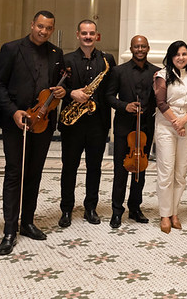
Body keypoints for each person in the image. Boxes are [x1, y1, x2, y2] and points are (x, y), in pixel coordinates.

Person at [0, 10, 66, 255]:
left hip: (43, 123)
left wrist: (61, 93)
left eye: (48, 28)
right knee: (15, 173)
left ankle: (28, 223)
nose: (43, 31)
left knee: (34, 173)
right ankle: (9, 230)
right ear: (31, 24)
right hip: (18, 123)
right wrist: (13, 111)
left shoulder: (56, 54)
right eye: (40, 26)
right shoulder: (11, 49)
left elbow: (55, 90)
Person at [57, 20, 116, 228]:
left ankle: (90, 207)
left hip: (97, 123)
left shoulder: (107, 60)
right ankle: (66, 209)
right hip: (73, 123)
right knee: (69, 168)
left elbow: (111, 89)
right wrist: (71, 93)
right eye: (84, 33)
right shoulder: (66, 59)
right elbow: (57, 88)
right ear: (77, 34)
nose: (88, 37)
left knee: (94, 168)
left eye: (91, 33)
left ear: (97, 35)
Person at [105, 35, 159, 228]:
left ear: (148, 48)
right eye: (137, 46)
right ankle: (116, 211)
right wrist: (124, 106)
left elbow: (159, 100)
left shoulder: (156, 72)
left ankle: (135, 208)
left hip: (145, 128)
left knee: (140, 170)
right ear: (131, 48)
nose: (140, 49)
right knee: (121, 171)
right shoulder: (119, 71)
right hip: (124, 128)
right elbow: (109, 96)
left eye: (143, 46)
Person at [153, 40, 187, 233]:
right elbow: (161, 102)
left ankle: (175, 212)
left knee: (181, 172)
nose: (181, 58)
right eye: (177, 54)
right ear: (171, 56)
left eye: (184, 54)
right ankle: (165, 215)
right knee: (166, 170)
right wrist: (176, 122)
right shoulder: (161, 75)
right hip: (166, 124)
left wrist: (184, 121)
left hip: (186, 124)